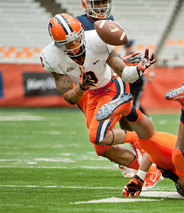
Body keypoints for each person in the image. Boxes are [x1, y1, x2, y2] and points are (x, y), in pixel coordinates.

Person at [40, 13, 161, 189]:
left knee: (97, 135)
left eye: (77, 39)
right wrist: (81, 87)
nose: (76, 45)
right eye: (69, 43)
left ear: (82, 31)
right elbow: (69, 98)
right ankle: (149, 171)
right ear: (58, 45)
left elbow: (125, 73)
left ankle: (140, 138)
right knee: (101, 148)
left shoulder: (97, 40)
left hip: (112, 86)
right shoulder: (51, 57)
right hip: (92, 94)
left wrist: (138, 70)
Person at [76, 0, 149, 178]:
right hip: (88, 86)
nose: (101, 6)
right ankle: (138, 164)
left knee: (123, 114)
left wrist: (122, 62)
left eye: (104, 2)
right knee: (101, 145)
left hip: (110, 81)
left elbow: (106, 56)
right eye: (97, 2)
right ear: (86, 3)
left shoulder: (109, 20)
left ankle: (144, 159)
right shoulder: (76, 24)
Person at [120, 40, 155, 116]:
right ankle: (145, 117)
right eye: (126, 47)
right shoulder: (122, 55)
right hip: (127, 80)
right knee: (128, 100)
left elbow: (149, 62)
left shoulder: (138, 54)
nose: (127, 48)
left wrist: (151, 74)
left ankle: (139, 120)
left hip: (138, 79)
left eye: (128, 47)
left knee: (135, 100)